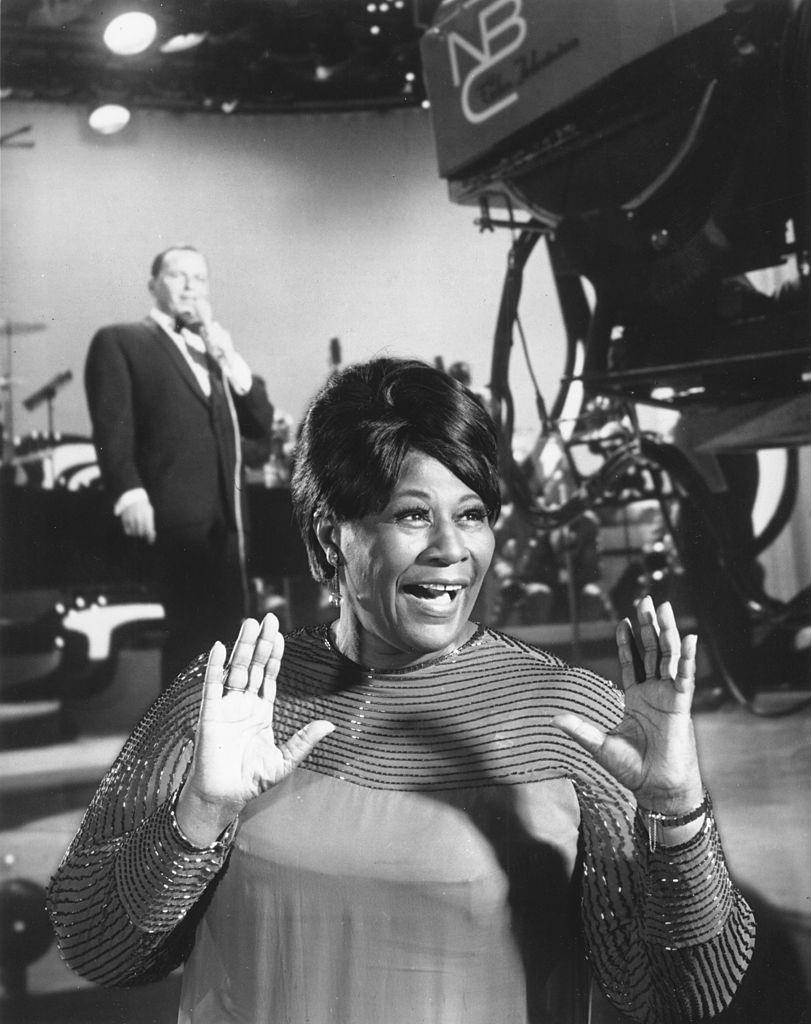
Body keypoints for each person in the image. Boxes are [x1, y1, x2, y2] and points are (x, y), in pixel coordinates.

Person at [48, 357, 755, 1024]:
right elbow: (97, 945)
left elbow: (682, 993)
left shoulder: (568, 720)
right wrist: (199, 813)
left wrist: (675, 816)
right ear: (331, 538)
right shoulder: (232, 703)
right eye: (412, 514)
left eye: (472, 513)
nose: (450, 546)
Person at [84, 246, 274, 686]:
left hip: (227, 522)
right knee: (188, 636)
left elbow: (260, 420)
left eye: (200, 278)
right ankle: (176, 743)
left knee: (229, 637)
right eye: (178, 275)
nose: (191, 286)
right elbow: (113, 427)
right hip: (171, 517)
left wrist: (225, 352)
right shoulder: (121, 340)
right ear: (153, 285)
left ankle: (221, 739)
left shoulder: (213, 354)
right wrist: (128, 490)